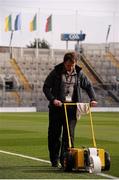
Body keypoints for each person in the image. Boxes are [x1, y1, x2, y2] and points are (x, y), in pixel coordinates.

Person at [43, 51, 97, 168]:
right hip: (57, 108)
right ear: (64, 63)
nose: (70, 68)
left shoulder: (79, 73)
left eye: (72, 65)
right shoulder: (56, 72)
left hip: (72, 109)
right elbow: (46, 87)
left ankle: (66, 160)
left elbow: (88, 86)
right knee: (54, 135)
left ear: (75, 63)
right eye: (68, 65)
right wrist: (53, 100)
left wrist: (92, 98)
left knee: (69, 136)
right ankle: (54, 160)